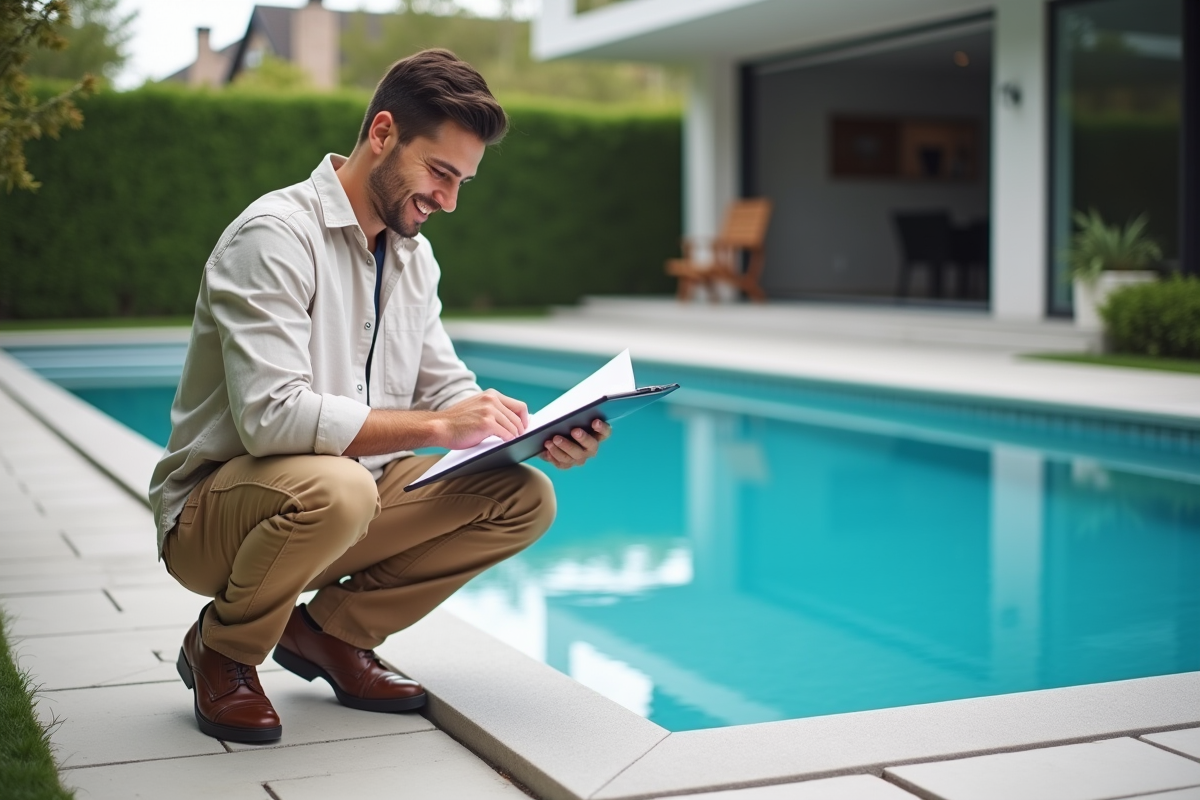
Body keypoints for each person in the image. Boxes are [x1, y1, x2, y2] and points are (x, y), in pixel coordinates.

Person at [148, 49, 609, 744]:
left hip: (341, 506)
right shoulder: (274, 237)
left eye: (463, 181)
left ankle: (330, 635)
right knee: (340, 489)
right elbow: (272, 418)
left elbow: (444, 384)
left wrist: (528, 428)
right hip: (216, 521)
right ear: (384, 133)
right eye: (440, 172)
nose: (449, 199)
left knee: (523, 495)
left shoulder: (414, 258)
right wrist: (438, 424)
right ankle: (223, 648)